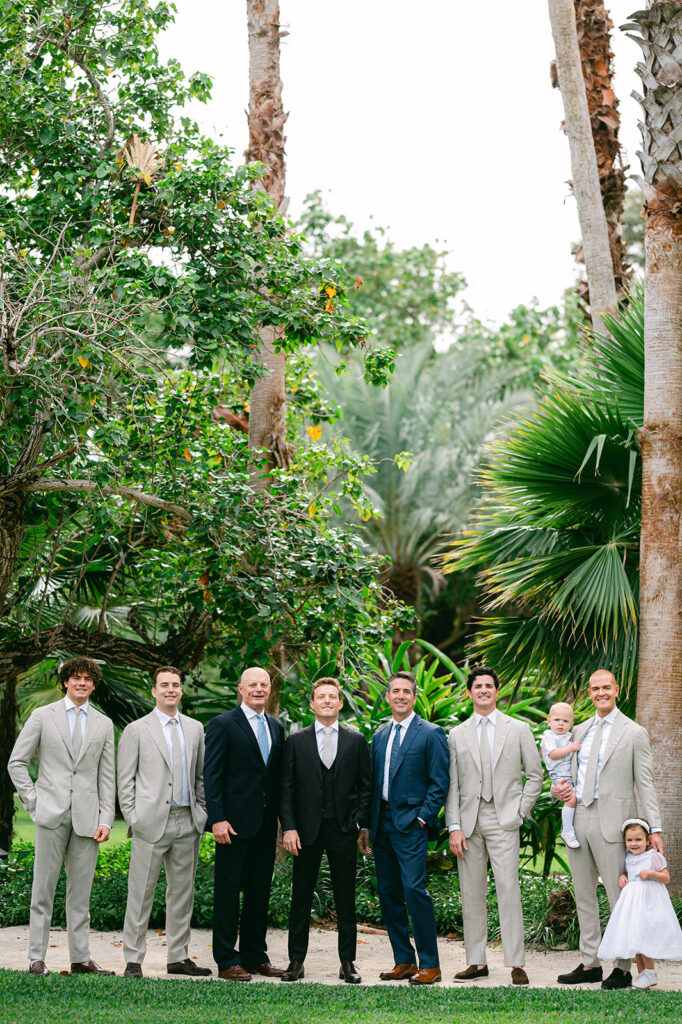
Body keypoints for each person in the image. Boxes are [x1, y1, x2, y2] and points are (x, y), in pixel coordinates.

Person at [553, 668, 662, 990]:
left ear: (616, 689)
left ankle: (623, 967)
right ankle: (590, 963)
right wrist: (559, 790)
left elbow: (646, 783)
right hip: (580, 818)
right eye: (594, 688)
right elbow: (567, 776)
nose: (600, 693)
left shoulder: (634, 732)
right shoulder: (581, 731)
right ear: (589, 693)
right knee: (584, 894)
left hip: (615, 823)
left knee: (620, 897)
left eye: (605, 687)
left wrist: (654, 828)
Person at [8, 657, 115, 977]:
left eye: (88, 679)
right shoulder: (43, 716)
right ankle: (36, 958)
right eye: (76, 677)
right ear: (65, 682)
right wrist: (33, 802)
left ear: (94, 685)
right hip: (49, 815)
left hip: (87, 818)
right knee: (43, 891)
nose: (82, 683)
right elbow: (17, 763)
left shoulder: (103, 724)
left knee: (80, 895)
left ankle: (80, 959)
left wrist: (106, 818)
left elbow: (107, 776)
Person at [445, 666, 543, 986]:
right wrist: (454, 826)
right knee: (471, 892)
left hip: (504, 819)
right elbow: (452, 786)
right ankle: (476, 962)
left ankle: (515, 962)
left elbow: (535, 776)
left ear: (496, 692)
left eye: (489, 685)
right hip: (469, 822)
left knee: (508, 888)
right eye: (478, 686)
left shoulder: (518, 729)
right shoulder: (457, 734)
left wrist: (519, 812)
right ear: (470, 692)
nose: (483, 690)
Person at [117, 665, 211, 978]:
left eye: (176, 684)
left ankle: (178, 957)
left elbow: (200, 776)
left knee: (182, 894)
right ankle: (133, 958)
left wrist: (201, 810)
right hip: (150, 824)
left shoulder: (196, 728)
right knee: (141, 892)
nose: (171, 689)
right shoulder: (136, 730)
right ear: (154, 691)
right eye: (164, 685)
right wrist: (134, 817)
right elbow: (125, 781)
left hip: (187, 822)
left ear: (181, 690)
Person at [279, 677, 372, 984]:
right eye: (322, 697)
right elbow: (286, 790)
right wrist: (289, 828)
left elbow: (366, 787)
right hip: (306, 831)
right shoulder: (296, 741)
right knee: (301, 895)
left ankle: (348, 962)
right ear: (312, 704)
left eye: (333, 696)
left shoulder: (356, 740)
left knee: (346, 897)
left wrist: (359, 823)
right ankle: (296, 961)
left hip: (343, 830)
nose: (328, 701)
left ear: (340, 703)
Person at [359, 671, 449, 985]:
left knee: (414, 890)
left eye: (406, 691)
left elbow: (439, 782)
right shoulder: (380, 735)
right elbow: (373, 784)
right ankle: (404, 960)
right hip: (382, 825)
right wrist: (367, 826)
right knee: (388, 893)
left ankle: (431, 964)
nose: (400, 696)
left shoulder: (431, 733)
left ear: (414, 696)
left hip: (411, 825)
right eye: (395, 691)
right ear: (388, 696)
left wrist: (422, 818)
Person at [203, 666, 285, 981]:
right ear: (241, 688)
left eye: (264, 685)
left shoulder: (276, 727)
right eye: (253, 684)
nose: (259, 689)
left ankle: (254, 955)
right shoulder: (223, 724)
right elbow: (212, 775)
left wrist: (280, 821)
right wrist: (217, 819)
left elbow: (274, 779)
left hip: (265, 826)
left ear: (270, 689)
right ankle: (226, 960)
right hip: (232, 825)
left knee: (258, 892)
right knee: (228, 892)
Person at [598, 819, 682, 990]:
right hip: (632, 903)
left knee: (644, 938)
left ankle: (650, 972)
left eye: (638, 840)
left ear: (648, 841)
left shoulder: (653, 856)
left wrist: (651, 873)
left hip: (648, 902)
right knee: (635, 939)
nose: (634, 844)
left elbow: (666, 877)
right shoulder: (628, 857)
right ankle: (643, 975)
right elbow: (630, 874)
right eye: (630, 840)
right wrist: (623, 877)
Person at [540, 702, 581, 849]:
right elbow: (553, 754)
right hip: (559, 774)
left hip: (569, 773)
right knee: (571, 798)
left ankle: (570, 828)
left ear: (571, 724)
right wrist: (570, 747)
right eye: (557, 720)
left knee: (575, 798)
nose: (561, 724)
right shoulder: (549, 737)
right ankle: (567, 830)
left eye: (565, 721)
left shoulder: (569, 736)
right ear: (549, 721)